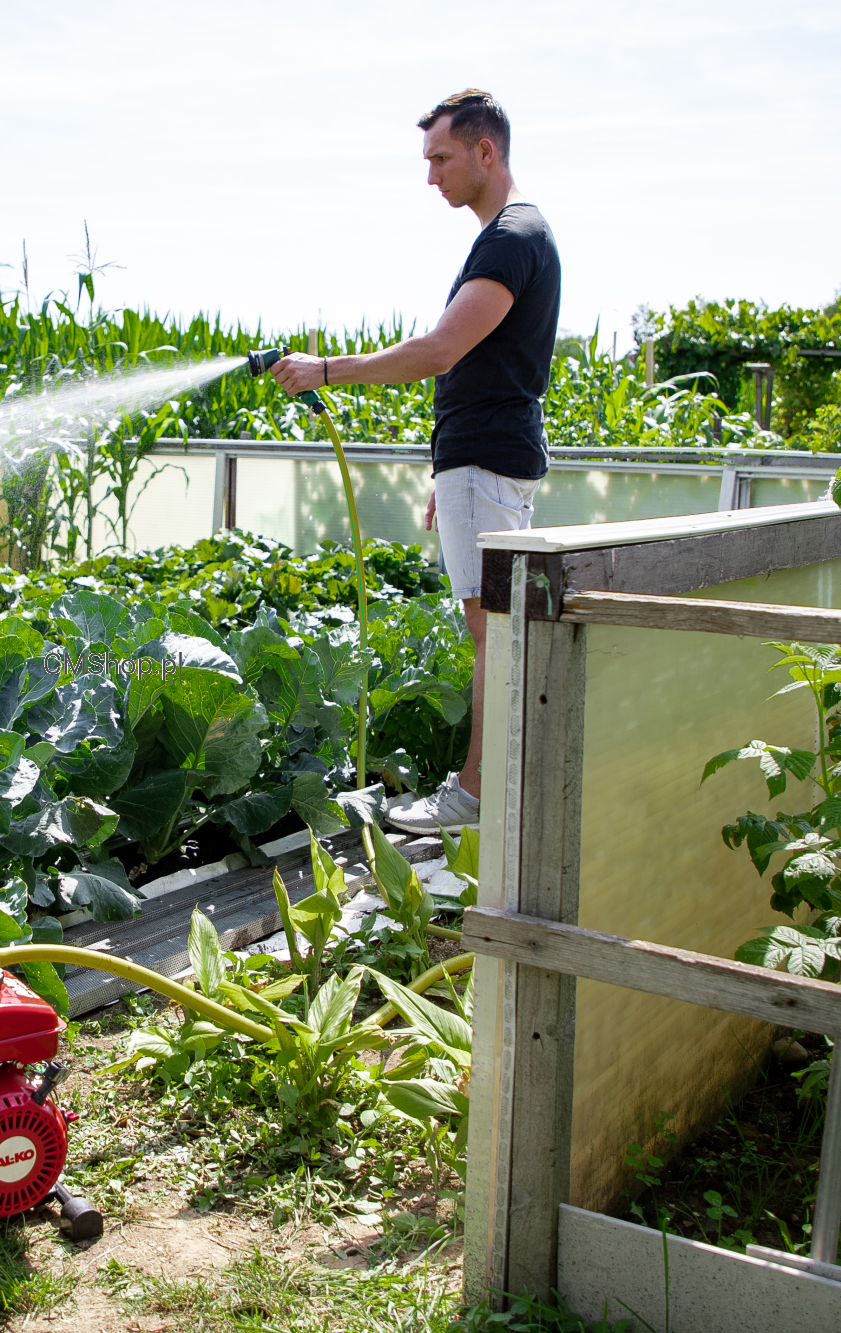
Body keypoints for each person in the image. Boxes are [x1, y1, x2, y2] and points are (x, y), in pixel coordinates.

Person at [269, 88, 560, 834]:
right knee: (499, 628)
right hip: (482, 461)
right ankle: (495, 789)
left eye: (441, 158)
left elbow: (440, 350)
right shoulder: (516, 234)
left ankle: (474, 796)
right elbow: (491, 366)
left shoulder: (510, 238)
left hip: (486, 460)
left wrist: (324, 370)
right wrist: (451, 473)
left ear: (485, 151)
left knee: (493, 632)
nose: (431, 176)